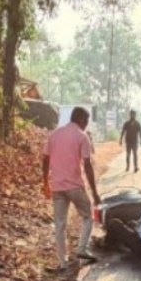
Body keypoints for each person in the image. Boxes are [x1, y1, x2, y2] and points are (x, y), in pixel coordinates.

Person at [43, 106, 101, 267]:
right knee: (88, 216)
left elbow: (45, 159)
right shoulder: (82, 136)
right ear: (81, 119)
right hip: (74, 186)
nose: (87, 124)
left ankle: (63, 262)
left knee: (60, 225)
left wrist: (45, 182)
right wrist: (94, 192)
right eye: (86, 120)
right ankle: (82, 249)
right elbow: (87, 165)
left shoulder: (55, 134)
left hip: (57, 186)